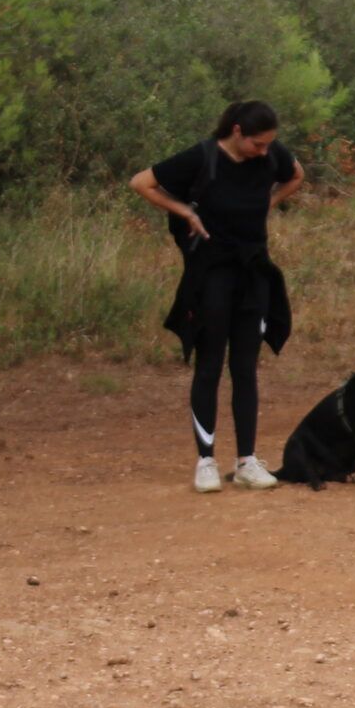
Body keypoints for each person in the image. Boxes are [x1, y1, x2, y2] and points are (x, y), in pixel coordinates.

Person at [131, 100, 304, 493]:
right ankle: (205, 462)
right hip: (211, 275)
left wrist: (268, 202)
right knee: (209, 366)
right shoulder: (202, 157)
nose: (265, 151)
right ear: (237, 131)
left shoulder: (271, 154)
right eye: (258, 144)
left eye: (269, 144)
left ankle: (246, 462)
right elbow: (141, 182)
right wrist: (185, 212)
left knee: (245, 367)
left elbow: (296, 175)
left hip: (253, 273)